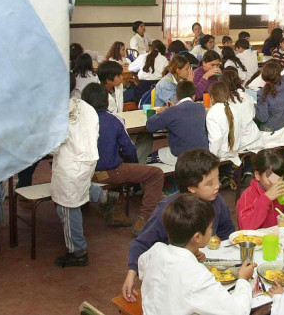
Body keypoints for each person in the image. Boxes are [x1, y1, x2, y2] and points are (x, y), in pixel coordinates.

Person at [122, 149, 235, 302]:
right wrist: (131, 274)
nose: (218, 186)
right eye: (210, 183)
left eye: (217, 179)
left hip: (203, 272)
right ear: (191, 187)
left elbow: (227, 233)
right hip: (173, 279)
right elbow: (141, 243)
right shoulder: (169, 210)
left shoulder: (216, 201)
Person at [138, 193, 254, 315]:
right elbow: (238, 311)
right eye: (210, 227)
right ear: (197, 237)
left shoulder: (156, 250)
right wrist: (243, 280)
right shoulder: (197, 276)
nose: (211, 231)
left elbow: (142, 265)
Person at [51, 74, 118, 267]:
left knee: (68, 207)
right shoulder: (86, 107)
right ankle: (102, 196)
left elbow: (54, 145)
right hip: (87, 160)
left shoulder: (59, 112)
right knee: (79, 188)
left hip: (71, 164)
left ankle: (78, 251)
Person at [82, 84, 164, 235]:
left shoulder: (78, 121)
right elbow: (129, 149)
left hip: (84, 173)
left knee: (122, 170)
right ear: (106, 100)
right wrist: (133, 165)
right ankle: (144, 219)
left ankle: (115, 210)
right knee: (155, 174)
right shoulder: (113, 120)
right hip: (112, 171)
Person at [146, 81, 208, 165]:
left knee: (147, 158)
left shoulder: (171, 111)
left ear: (176, 97)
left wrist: (161, 112)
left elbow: (150, 126)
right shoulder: (201, 108)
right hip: (202, 154)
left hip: (181, 156)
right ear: (194, 96)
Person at [206, 81, 262, 171]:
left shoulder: (213, 112)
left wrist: (211, 160)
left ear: (212, 97)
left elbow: (216, 139)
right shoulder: (235, 108)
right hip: (233, 151)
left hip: (222, 154)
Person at [236, 149, 284, 230]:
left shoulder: (281, 192)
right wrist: (266, 198)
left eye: (280, 176)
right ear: (257, 175)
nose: (275, 181)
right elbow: (245, 227)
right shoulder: (248, 196)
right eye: (270, 176)